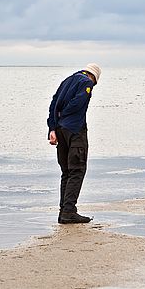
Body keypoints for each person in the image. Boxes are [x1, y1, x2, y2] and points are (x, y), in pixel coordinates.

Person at [47, 63, 101, 224]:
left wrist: (52, 127)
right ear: (95, 78)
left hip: (60, 130)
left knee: (66, 172)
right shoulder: (86, 82)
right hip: (75, 130)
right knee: (77, 170)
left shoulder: (67, 80)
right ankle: (69, 211)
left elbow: (53, 103)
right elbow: (78, 103)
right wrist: (65, 115)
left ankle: (64, 211)